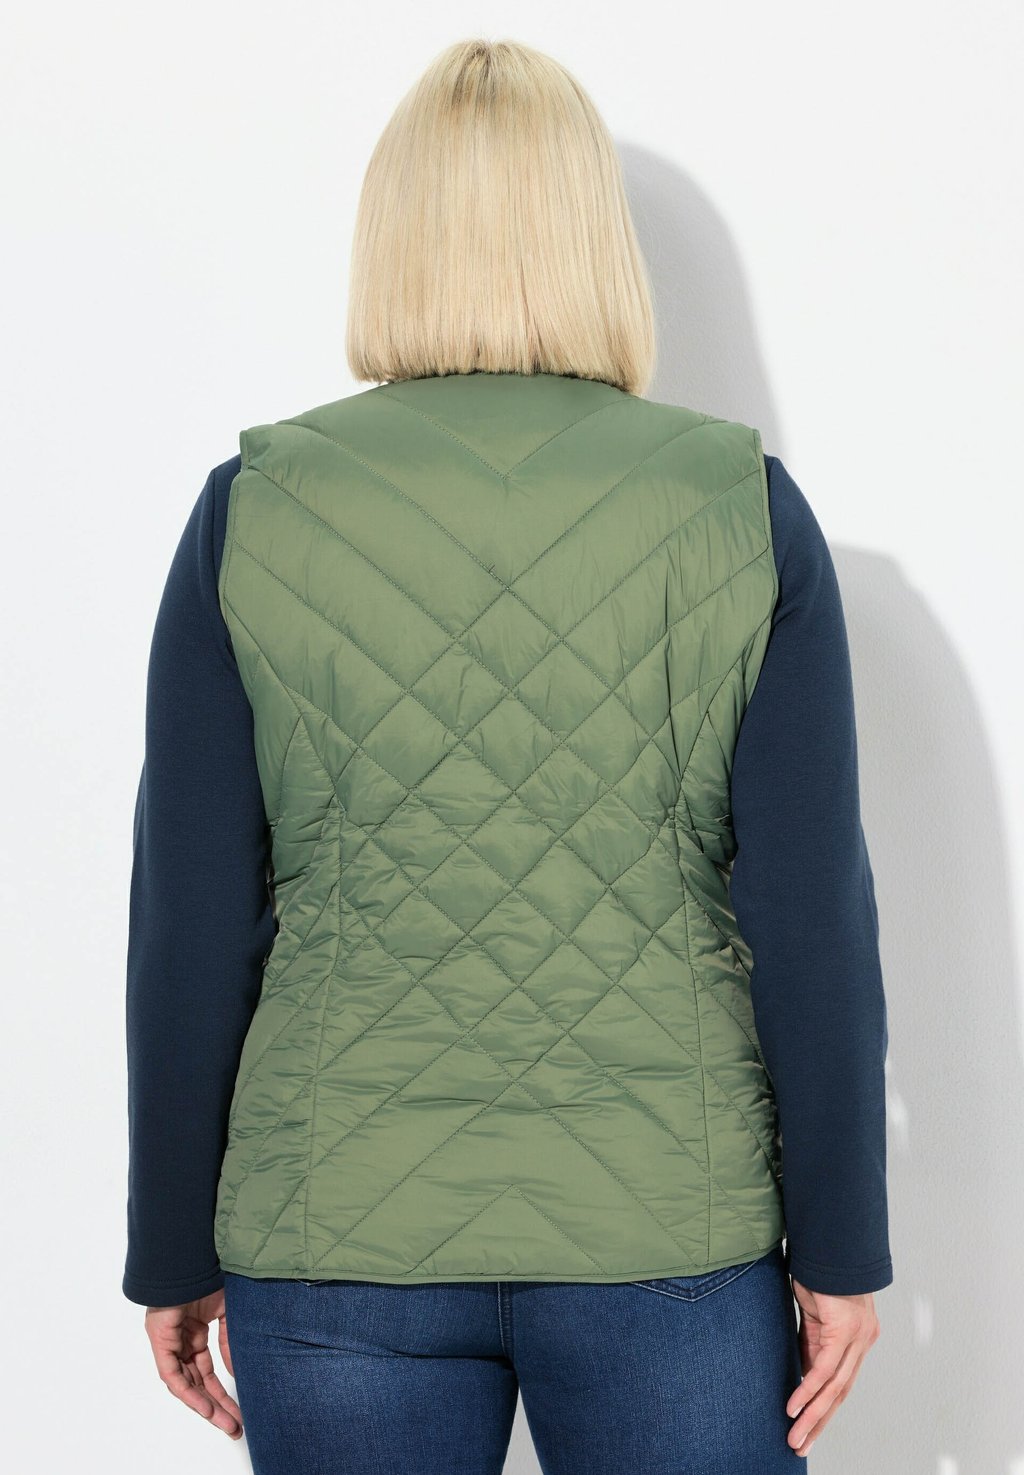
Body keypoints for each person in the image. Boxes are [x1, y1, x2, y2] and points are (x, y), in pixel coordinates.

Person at [122, 36, 892, 1475]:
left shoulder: (257, 509)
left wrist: (169, 1242)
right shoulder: (738, 507)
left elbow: (192, 920)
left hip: (335, 1237)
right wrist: (844, 1244)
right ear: (592, 241)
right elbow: (810, 913)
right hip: (668, 1231)